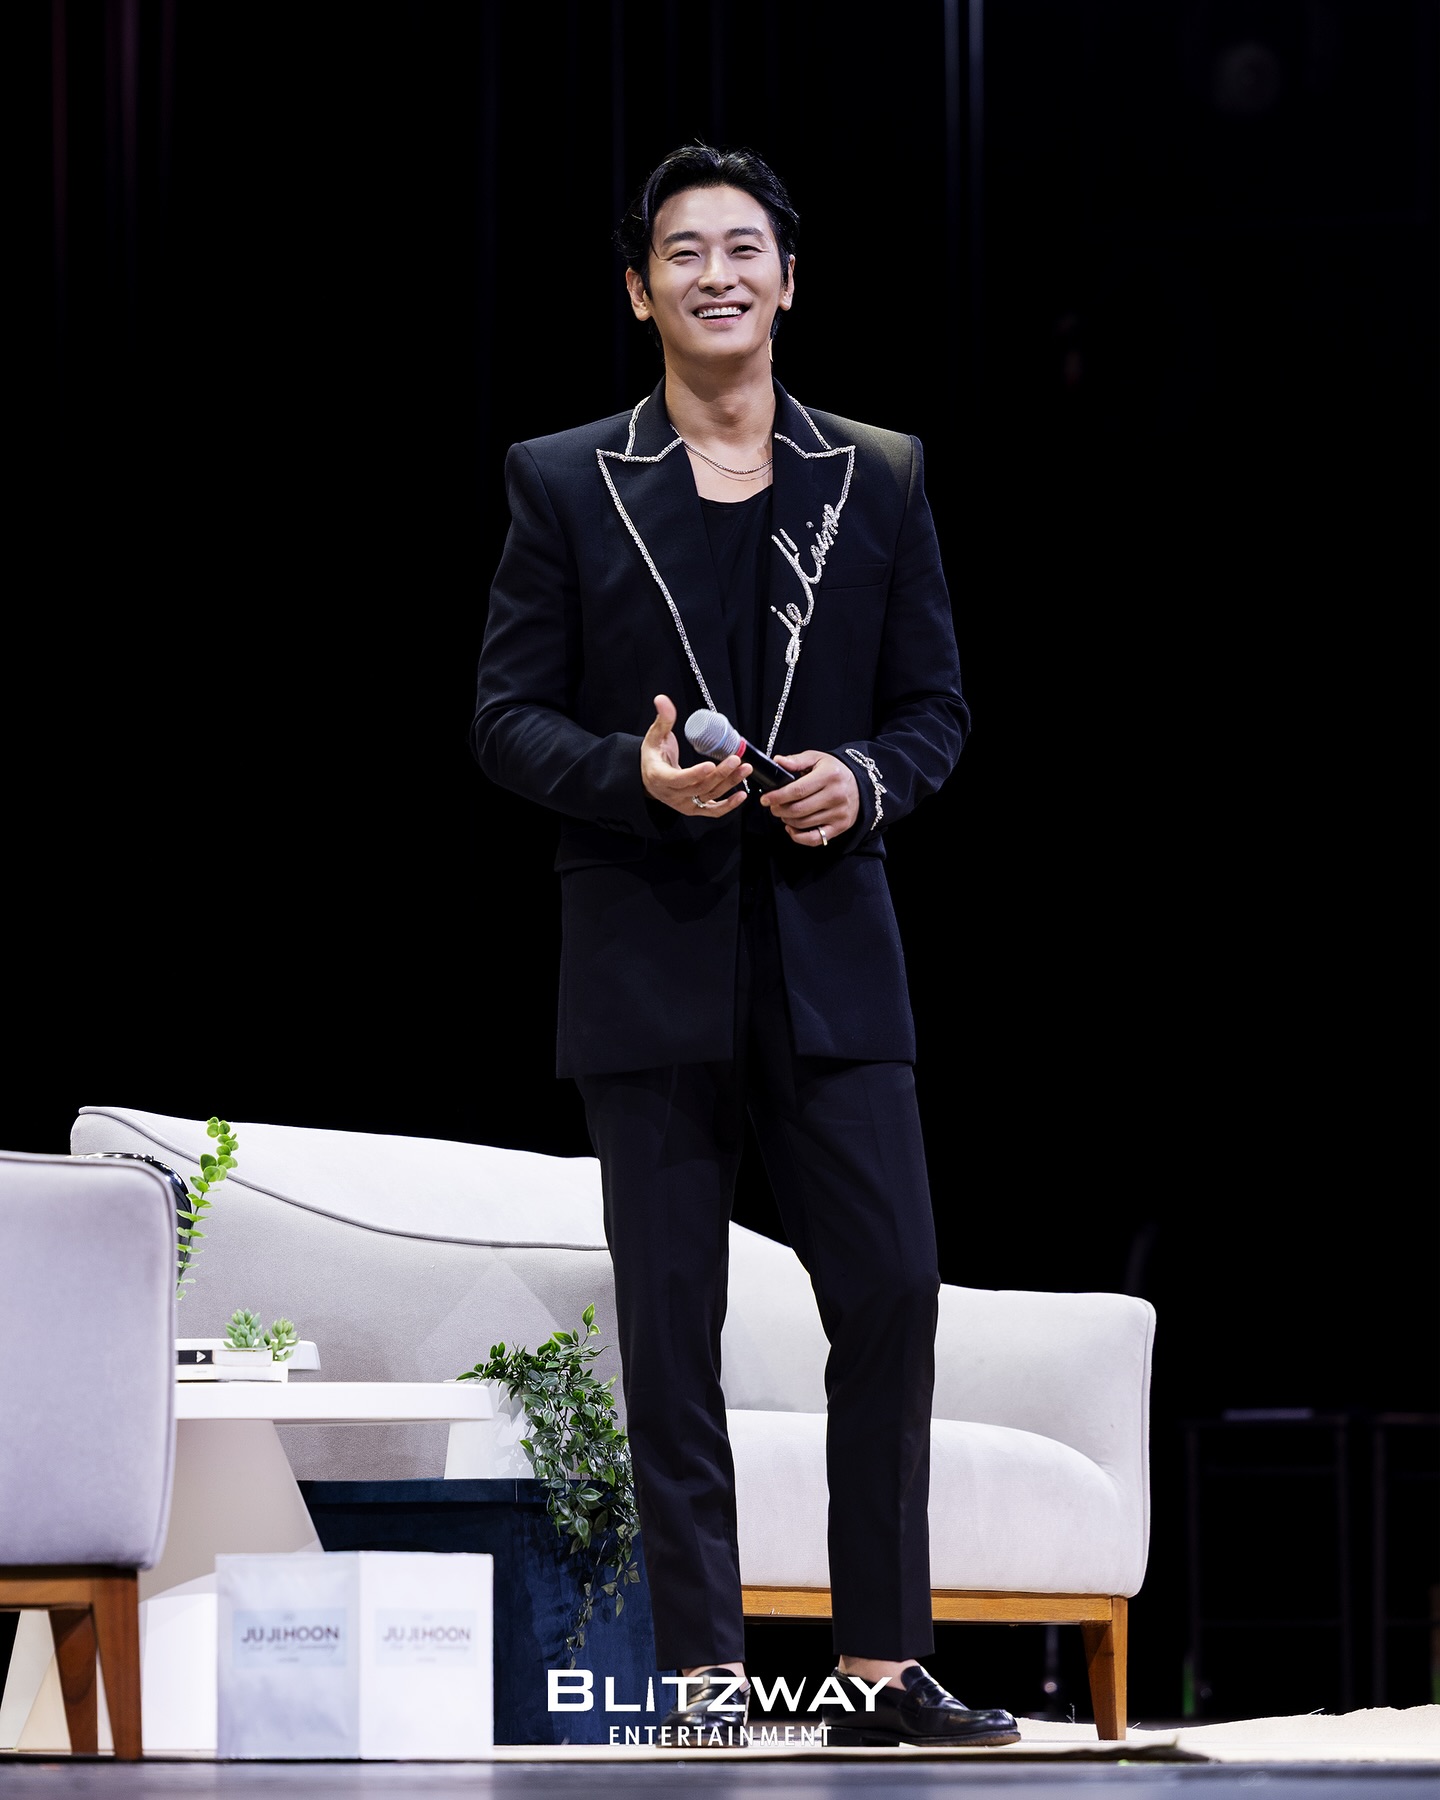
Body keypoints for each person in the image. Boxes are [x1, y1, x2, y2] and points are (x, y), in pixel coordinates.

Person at [473, 143, 1017, 1748]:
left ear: (789, 278)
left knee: (893, 1291)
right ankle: (706, 1675)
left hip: (834, 951)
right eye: (682, 251)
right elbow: (504, 718)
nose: (716, 273)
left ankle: (881, 1672)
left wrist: (867, 779)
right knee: (671, 1328)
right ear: (639, 291)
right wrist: (631, 778)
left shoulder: (880, 475)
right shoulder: (565, 478)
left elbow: (937, 708)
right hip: (645, 951)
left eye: (744, 248)